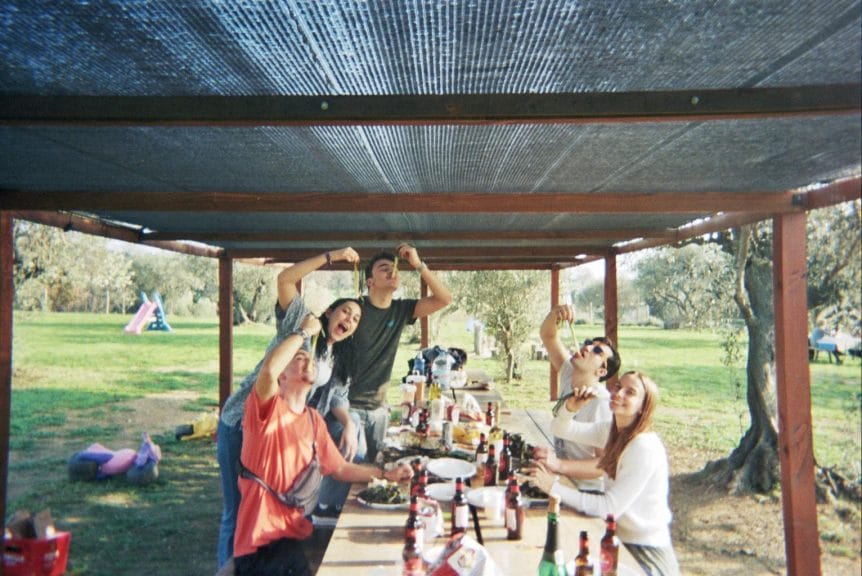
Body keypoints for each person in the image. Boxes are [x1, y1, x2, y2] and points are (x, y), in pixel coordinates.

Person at [232, 314, 413, 576]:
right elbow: (269, 369)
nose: (307, 360)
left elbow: (340, 469)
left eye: (310, 359)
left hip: (291, 541)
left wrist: (387, 475)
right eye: (299, 358)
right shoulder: (265, 411)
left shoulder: (314, 420)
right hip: (258, 546)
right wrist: (303, 333)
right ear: (282, 377)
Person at [216, 247, 362, 568]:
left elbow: (335, 397)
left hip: (275, 436)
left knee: (263, 512)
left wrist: (349, 424)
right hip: (241, 421)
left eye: (355, 319)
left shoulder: (335, 358)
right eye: (345, 311)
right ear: (329, 312)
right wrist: (331, 256)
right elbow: (285, 279)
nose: (349, 319)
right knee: (235, 511)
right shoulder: (304, 324)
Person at [528, 370, 680, 576]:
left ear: (643, 407)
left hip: (646, 555)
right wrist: (571, 407)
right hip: (616, 542)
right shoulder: (612, 431)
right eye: (618, 387)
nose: (619, 394)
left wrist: (553, 488)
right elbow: (560, 428)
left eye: (630, 392)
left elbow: (609, 508)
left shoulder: (644, 447)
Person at [347, 243, 452, 462]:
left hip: (379, 410)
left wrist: (417, 264)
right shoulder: (353, 310)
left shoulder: (401, 309)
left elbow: (444, 299)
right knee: (347, 476)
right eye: (384, 268)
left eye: (394, 268)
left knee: (372, 474)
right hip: (348, 409)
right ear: (370, 282)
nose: (392, 271)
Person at [532, 304, 620, 492]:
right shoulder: (569, 373)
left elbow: (603, 464)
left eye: (597, 352)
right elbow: (548, 335)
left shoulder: (601, 404)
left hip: (584, 490)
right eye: (589, 343)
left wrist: (558, 464)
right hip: (559, 477)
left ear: (601, 371)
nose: (587, 347)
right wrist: (555, 314)